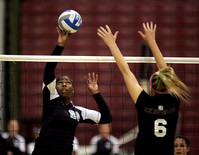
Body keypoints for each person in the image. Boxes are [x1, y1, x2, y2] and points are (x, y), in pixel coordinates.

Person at [97, 22, 189, 155]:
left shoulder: (144, 101)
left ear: (150, 87)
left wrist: (111, 44)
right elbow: (165, 70)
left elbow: (125, 71)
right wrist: (152, 41)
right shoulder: (174, 99)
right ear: (169, 84)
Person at [32, 27, 112, 155]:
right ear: (55, 88)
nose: (64, 84)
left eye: (67, 82)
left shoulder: (78, 112)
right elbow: (48, 70)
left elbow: (106, 118)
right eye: (60, 82)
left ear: (73, 90)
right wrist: (60, 45)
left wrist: (96, 94)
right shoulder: (51, 98)